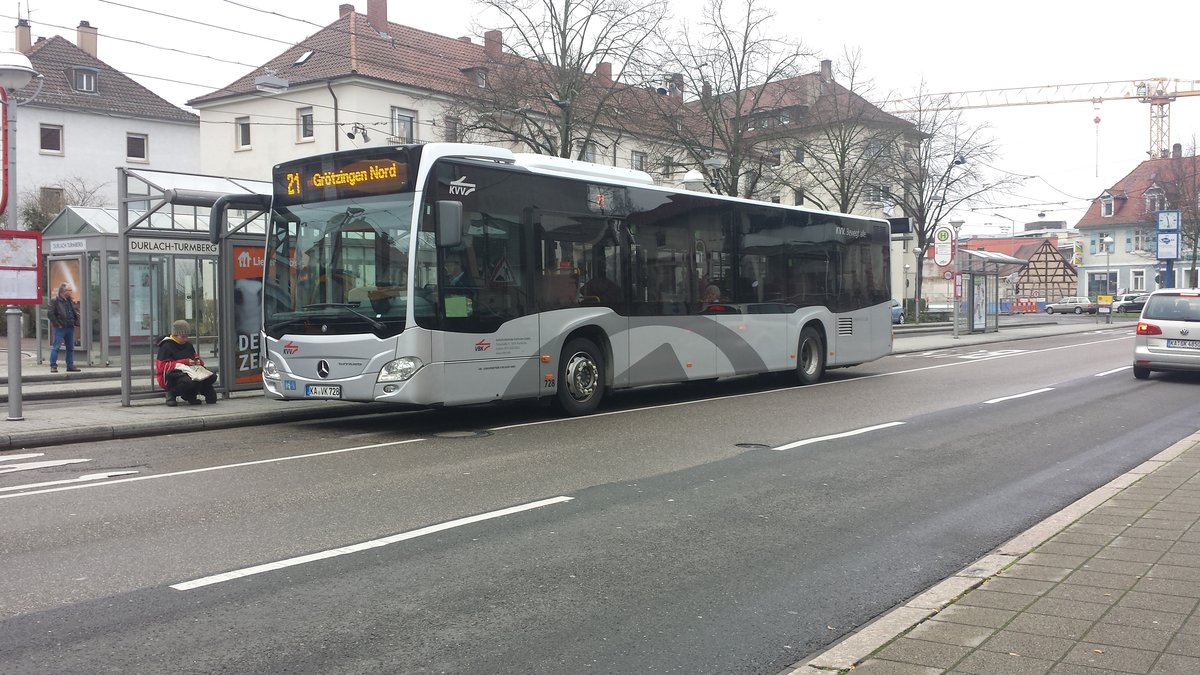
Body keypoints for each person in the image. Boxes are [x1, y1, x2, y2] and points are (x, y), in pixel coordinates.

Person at [155, 320, 217, 406]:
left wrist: (197, 361)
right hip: (172, 376)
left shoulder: (188, 345)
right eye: (183, 337)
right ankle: (171, 393)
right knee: (188, 381)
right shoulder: (166, 346)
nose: (185, 339)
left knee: (211, 376)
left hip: (189, 372)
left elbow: (194, 356)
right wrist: (184, 362)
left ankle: (192, 394)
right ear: (175, 335)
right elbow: (162, 367)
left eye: (187, 336)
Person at [48, 283, 82, 374]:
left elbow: (72, 312)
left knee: (70, 347)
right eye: (69, 290)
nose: (71, 292)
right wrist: (57, 324)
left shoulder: (69, 300)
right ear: (63, 291)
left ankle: (70, 365)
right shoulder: (55, 300)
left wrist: (75, 321)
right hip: (60, 327)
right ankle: (53, 366)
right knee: (56, 347)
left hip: (70, 327)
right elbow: (50, 314)